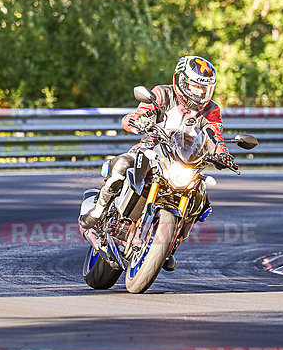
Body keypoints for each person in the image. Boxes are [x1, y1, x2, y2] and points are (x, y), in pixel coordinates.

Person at [79, 56, 234, 270]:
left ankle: (169, 246)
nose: (199, 93)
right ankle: (98, 211)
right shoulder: (162, 94)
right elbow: (137, 114)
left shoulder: (211, 110)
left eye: (204, 89)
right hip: (153, 150)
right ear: (180, 81)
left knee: (202, 201)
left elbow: (215, 136)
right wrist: (139, 120)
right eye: (194, 87)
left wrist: (222, 154)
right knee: (123, 164)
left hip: (185, 161)